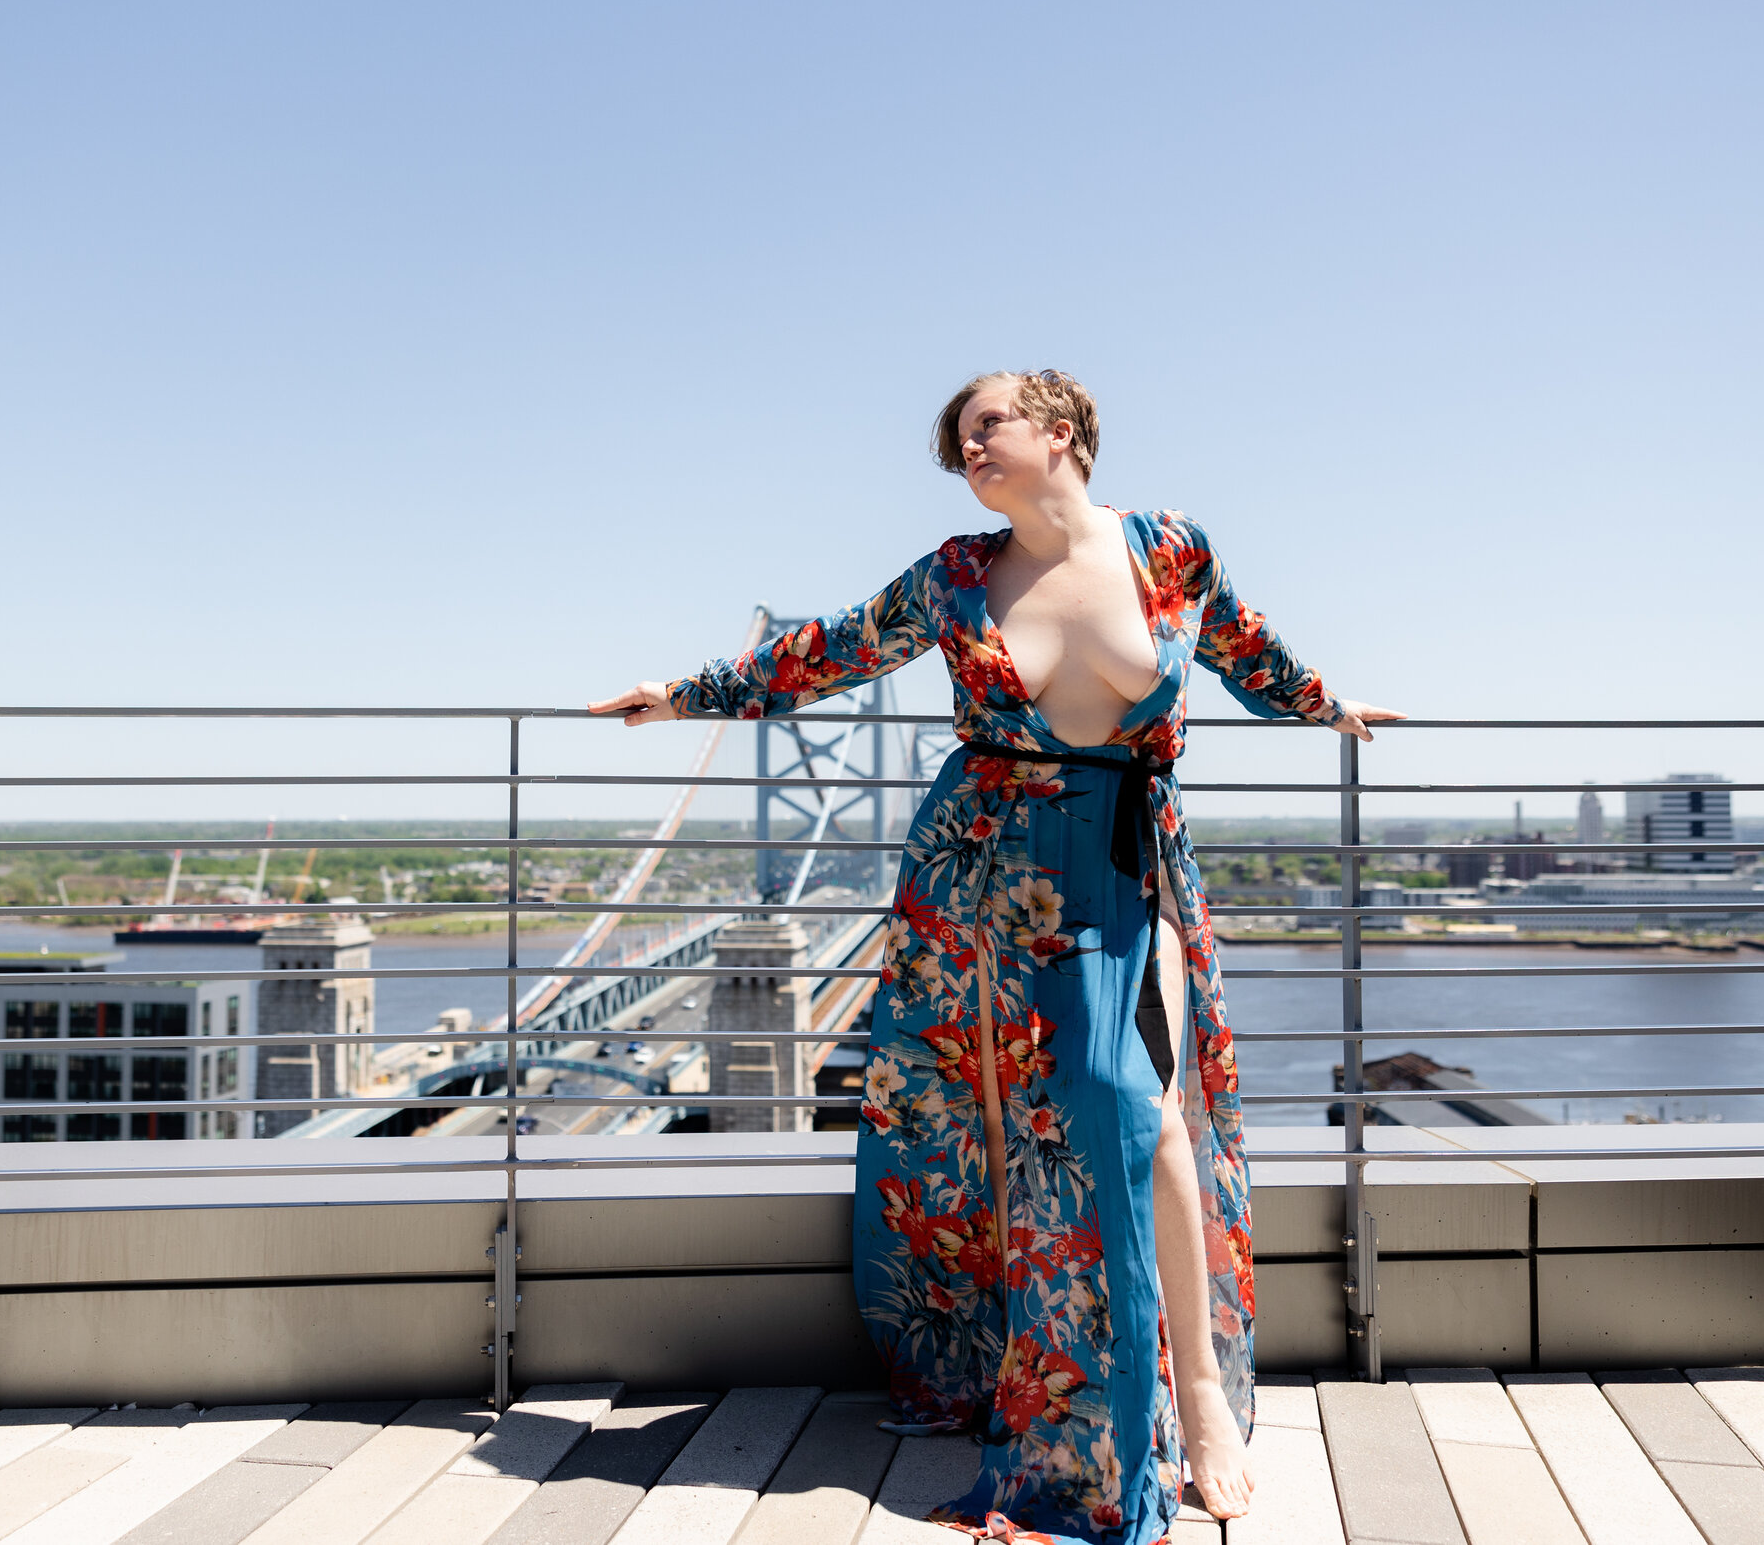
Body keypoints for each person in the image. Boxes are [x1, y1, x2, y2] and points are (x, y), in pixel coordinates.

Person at [591, 370, 1401, 1543]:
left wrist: (1330, 705)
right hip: (991, 874)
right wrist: (683, 695)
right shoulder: (956, 575)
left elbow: (1245, 651)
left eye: (988, 425)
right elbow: (828, 651)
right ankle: (1071, 1402)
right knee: (1034, 1129)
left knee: (1146, 1112)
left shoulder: (1170, 550)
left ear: (1060, 432)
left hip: (1132, 863)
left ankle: (1201, 1400)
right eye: (959, 436)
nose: (967, 447)